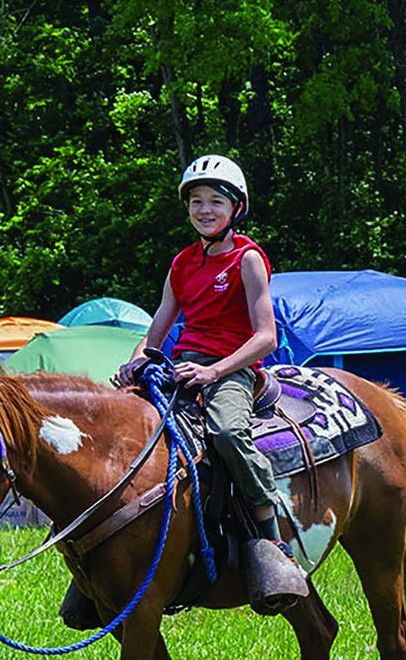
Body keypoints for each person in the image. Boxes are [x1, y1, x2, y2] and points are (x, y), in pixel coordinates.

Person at [113, 154, 308, 612]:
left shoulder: (249, 259)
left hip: (233, 368)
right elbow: (159, 326)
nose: (204, 210)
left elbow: (266, 337)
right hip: (183, 365)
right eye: (196, 201)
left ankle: (269, 535)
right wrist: (135, 362)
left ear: (235, 208)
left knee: (224, 431)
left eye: (215, 201)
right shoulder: (181, 263)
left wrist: (215, 371)